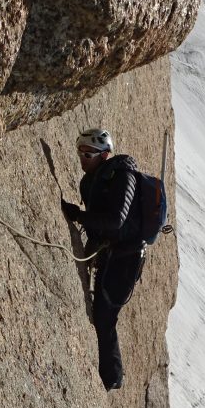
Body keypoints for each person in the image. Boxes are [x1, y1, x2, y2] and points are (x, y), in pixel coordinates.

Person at [61, 128, 145, 391]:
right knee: (101, 314)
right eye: (80, 153)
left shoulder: (123, 175)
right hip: (112, 254)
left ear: (104, 154)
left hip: (126, 259)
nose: (82, 159)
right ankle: (110, 375)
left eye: (88, 154)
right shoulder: (93, 180)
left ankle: (112, 378)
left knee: (105, 315)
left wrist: (79, 217)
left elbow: (116, 219)